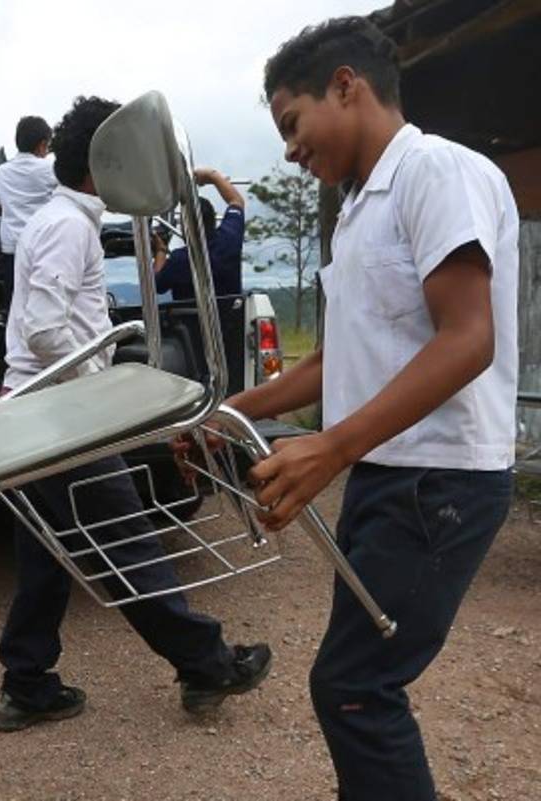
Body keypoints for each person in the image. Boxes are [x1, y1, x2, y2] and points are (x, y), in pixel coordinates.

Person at [212, 17, 518, 800]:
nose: (289, 147)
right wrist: (228, 410)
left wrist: (332, 447)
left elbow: (469, 339)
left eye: (292, 122)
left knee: (356, 689)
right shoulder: (355, 213)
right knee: (353, 684)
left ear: (346, 85)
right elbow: (329, 360)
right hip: (391, 475)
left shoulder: (437, 173)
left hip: (438, 481)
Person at [0, 96, 272, 733]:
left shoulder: (60, 220)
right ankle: (206, 664)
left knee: (49, 554)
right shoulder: (68, 225)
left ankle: (25, 682)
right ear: (102, 164)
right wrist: (106, 389)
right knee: (127, 545)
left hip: (43, 412)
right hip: (64, 414)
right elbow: (43, 332)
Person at [0, 115, 59, 310]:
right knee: (48, 304)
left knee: (17, 307)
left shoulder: (2, 171)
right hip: (45, 247)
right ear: (42, 144)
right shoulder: (50, 169)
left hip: (13, 250)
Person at [152, 168, 245, 299]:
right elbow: (236, 201)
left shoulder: (179, 259)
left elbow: (157, 285)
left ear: (185, 228)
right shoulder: (229, 240)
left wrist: (160, 251)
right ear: (213, 219)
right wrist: (212, 176)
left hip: (187, 320)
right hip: (231, 318)